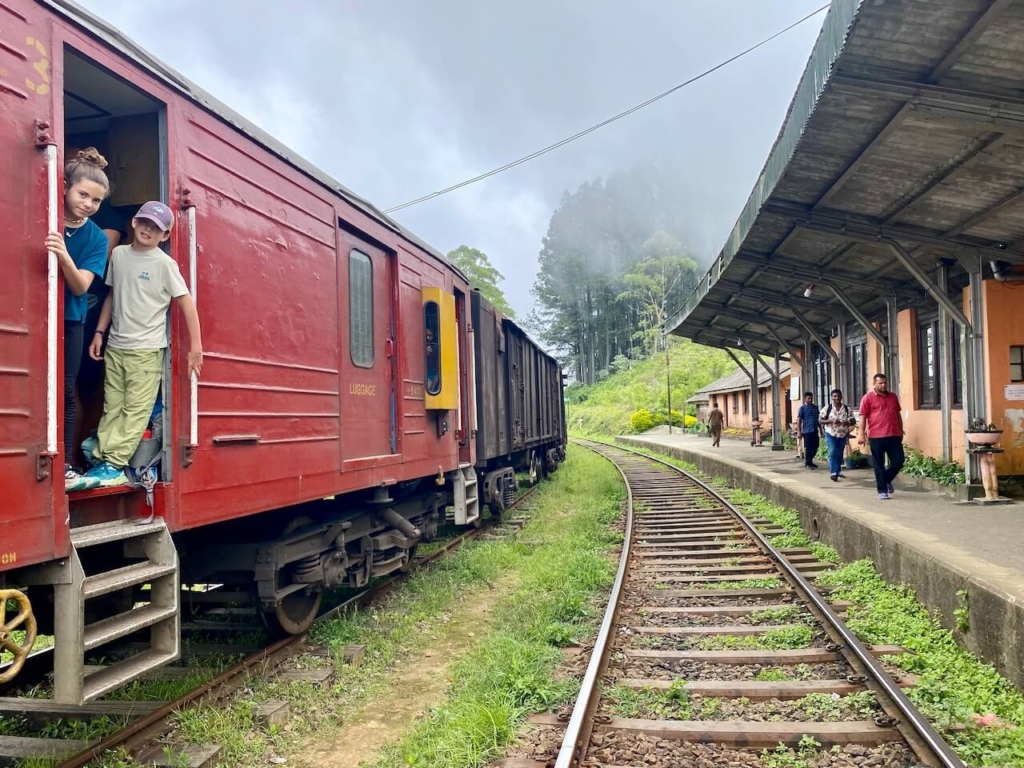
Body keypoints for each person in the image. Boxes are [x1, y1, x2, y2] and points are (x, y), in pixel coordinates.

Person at [84, 201, 203, 487]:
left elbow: (186, 303)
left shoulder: (164, 264)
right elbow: (112, 296)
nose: (149, 229)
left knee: (135, 410)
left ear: (165, 236)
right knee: (113, 405)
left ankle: (113, 463)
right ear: (134, 222)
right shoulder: (120, 255)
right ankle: (103, 457)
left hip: (146, 350)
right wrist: (100, 332)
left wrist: (196, 348)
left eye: (157, 228)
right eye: (145, 222)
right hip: (116, 345)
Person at [48, 148, 112, 491]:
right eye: (82, 194)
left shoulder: (97, 238)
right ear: (65, 188)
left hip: (72, 321)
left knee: (66, 390)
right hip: (38, 315)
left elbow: (80, 285)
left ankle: (68, 464)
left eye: (96, 200)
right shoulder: (45, 214)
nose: (88, 204)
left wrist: (62, 256)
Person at [858, 373, 905, 500]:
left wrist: (901, 429)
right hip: (876, 436)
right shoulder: (867, 398)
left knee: (899, 461)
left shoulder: (893, 397)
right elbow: (862, 417)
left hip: (893, 434)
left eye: (885, 382)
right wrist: (861, 434)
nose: (883, 385)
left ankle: (886, 479)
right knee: (878, 464)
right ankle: (882, 490)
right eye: (880, 383)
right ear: (874, 384)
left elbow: (897, 414)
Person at [820, 389, 854, 482]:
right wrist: (831, 421)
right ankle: (834, 472)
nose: (837, 398)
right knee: (833, 451)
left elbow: (853, 420)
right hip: (830, 433)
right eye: (834, 396)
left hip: (842, 434)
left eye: (838, 396)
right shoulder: (827, 408)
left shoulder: (847, 409)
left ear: (841, 397)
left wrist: (847, 422)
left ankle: (837, 471)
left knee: (839, 453)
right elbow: (820, 420)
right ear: (832, 397)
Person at [797, 392, 822, 469]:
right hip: (806, 431)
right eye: (808, 398)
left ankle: (810, 461)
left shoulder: (815, 408)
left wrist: (821, 429)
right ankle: (808, 463)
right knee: (808, 447)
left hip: (814, 430)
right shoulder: (802, 408)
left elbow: (818, 420)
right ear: (805, 399)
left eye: (811, 398)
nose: (810, 400)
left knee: (816, 446)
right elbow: (799, 420)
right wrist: (799, 431)